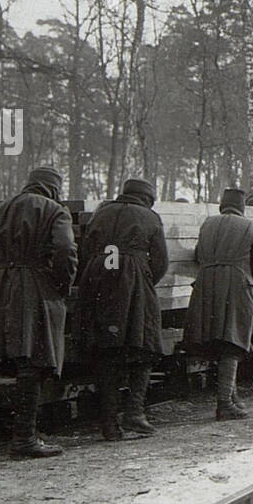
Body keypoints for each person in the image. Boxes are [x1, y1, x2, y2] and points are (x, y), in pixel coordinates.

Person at [0, 167, 78, 458]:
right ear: (54, 188)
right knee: (33, 362)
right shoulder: (55, 210)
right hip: (36, 287)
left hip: (3, 287)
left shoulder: (1, 210)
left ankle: (23, 432)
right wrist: (61, 286)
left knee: (19, 356)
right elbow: (65, 252)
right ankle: (24, 438)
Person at [76, 177, 168, 440]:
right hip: (134, 281)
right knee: (145, 345)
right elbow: (161, 261)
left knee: (106, 351)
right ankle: (135, 413)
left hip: (96, 279)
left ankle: (109, 423)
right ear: (147, 198)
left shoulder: (100, 214)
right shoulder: (150, 217)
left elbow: (84, 252)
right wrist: (143, 280)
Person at [184, 186, 253, 420]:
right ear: (242, 207)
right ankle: (224, 403)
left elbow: (198, 255)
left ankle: (230, 397)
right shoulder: (252, 227)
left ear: (222, 205)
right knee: (233, 342)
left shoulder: (208, 224)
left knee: (218, 341)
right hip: (239, 286)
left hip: (207, 285)